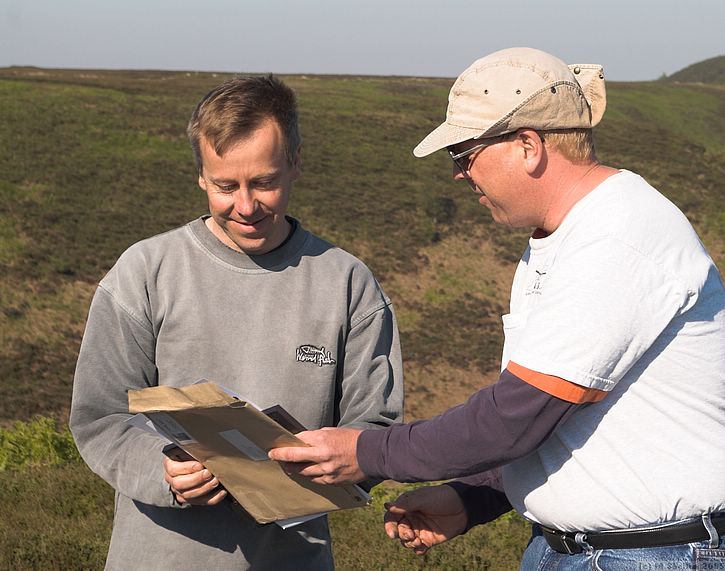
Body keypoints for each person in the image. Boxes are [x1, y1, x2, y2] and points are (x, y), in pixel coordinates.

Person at [269, 47, 725, 569]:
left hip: (649, 554)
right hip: (586, 550)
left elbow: (514, 417)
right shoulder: (564, 237)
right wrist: (475, 498)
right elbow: (560, 420)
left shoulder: (617, 237)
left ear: (528, 145)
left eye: (464, 155)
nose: (460, 175)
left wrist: (364, 452)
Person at [69, 75, 403, 570]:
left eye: (264, 182)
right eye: (226, 186)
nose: (246, 207)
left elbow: (374, 425)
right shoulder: (144, 272)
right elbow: (101, 417)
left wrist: (333, 461)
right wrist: (163, 471)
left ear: (295, 164)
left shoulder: (347, 283)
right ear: (201, 175)